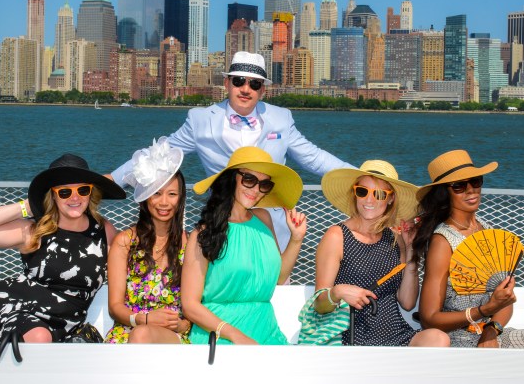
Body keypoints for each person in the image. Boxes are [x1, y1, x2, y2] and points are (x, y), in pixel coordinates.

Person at [108, 51, 353, 250]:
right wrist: (108, 182)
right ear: (226, 83)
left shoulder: (281, 118)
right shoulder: (200, 120)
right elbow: (158, 155)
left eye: (254, 84)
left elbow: (313, 157)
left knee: (275, 287)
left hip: (270, 227)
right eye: (238, 81)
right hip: (222, 223)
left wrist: (359, 177)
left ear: (263, 90)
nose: (245, 89)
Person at [413, 150, 524, 349]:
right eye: (459, 186)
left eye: (476, 181)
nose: (471, 190)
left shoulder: (488, 232)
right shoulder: (443, 241)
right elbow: (429, 318)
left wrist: (491, 330)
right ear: (444, 193)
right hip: (458, 339)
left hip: (493, 333)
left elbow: (505, 301)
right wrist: (484, 309)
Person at [0, 153, 126, 343]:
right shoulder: (36, 230)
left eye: (83, 190)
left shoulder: (104, 231)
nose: (75, 198)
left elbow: (132, 264)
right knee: (39, 336)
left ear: (90, 193)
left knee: (44, 337)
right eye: (65, 192)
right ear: (53, 195)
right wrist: (28, 205)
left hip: (66, 324)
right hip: (16, 310)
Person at [314, 160, 449, 347]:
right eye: (362, 191)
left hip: (396, 334)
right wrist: (338, 292)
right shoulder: (337, 236)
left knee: (438, 339)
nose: (369, 200)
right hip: (352, 335)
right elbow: (320, 304)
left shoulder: (395, 238)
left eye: (379, 194)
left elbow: (407, 302)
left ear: (390, 198)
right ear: (355, 194)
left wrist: (410, 252)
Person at [182, 146, 307, 345]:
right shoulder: (203, 234)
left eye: (264, 184)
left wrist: (296, 238)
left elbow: (279, 277)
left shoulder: (264, 219)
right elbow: (189, 305)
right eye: (249, 180)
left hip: (266, 330)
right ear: (232, 179)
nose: (256, 190)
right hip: (220, 334)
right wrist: (234, 335)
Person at [106, 137, 191, 344]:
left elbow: (197, 301)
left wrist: (184, 324)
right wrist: (144, 319)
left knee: (142, 335)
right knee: (140, 334)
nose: (164, 202)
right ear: (145, 198)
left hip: (172, 334)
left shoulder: (190, 243)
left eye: (172, 194)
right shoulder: (125, 241)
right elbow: (115, 307)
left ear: (180, 198)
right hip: (130, 329)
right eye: (156, 194)